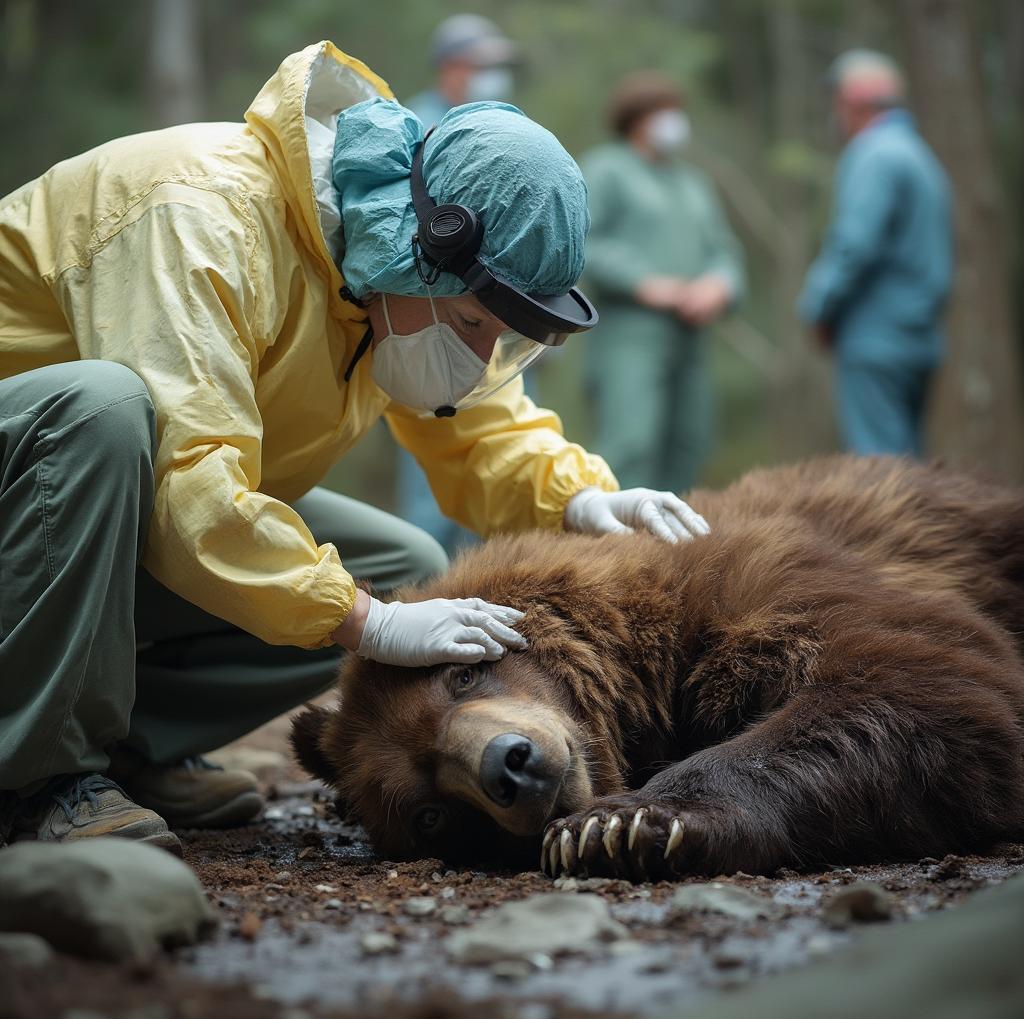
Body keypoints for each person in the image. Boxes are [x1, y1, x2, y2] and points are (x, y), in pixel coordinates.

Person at [0, 42, 710, 853]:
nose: (480, 358)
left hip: (79, 523)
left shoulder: (379, 279)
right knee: (105, 410)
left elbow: (481, 429)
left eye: (502, 339)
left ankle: (126, 747)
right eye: (477, 327)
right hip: (29, 491)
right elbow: (189, 483)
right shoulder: (198, 217)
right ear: (425, 243)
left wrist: (582, 499)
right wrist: (359, 621)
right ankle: (35, 774)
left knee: (389, 564)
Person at [580, 73, 745, 493]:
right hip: (630, 336)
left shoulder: (692, 183)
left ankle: (674, 555)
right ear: (637, 119)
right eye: (663, 112)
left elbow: (725, 252)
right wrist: (644, 282)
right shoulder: (607, 169)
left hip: (690, 337)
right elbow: (582, 242)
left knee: (689, 445)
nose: (675, 122)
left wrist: (720, 285)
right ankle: (615, 554)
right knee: (631, 444)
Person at [403, 14, 521, 555]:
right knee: (433, 471)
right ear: (452, 67)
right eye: (485, 65)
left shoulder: (505, 128)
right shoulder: (414, 128)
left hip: (495, 322)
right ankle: (425, 595)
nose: (496, 76)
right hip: (435, 321)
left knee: (506, 449)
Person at [799, 50, 953, 458]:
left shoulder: (874, 154)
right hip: (919, 337)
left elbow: (854, 245)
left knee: (880, 475)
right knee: (909, 470)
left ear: (852, 102)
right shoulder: (919, 154)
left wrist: (818, 307)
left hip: (876, 337)